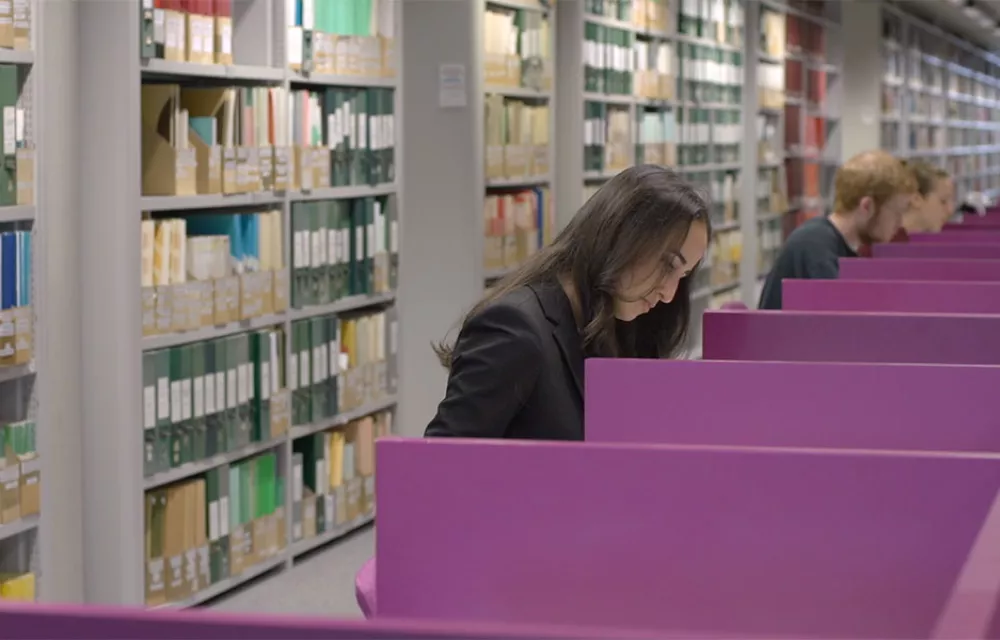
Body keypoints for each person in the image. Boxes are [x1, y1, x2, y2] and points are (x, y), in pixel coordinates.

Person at [424, 165, 711, 440]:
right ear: (622, 236)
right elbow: (441, 466)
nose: (670, 294)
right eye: (668, 264)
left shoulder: (621, 328)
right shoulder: (514, 328)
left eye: (683, 276)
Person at [758, 150, 916, 310]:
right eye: (897, 212)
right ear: (867, 207)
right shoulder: (816, 247)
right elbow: (840, 320)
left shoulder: (840, 247)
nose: (900, 223)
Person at [857, 161, 953, 255]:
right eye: (943, 201)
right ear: (916, 199)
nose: (950, 210)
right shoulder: (879, 246)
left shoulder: (910, 243)